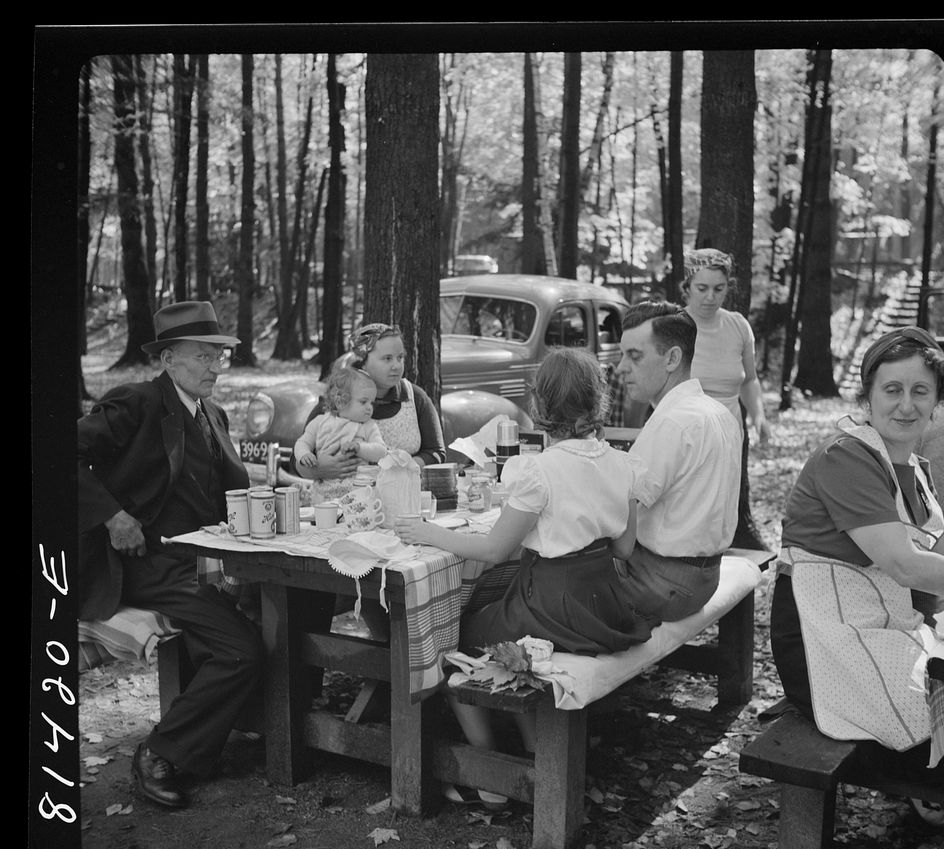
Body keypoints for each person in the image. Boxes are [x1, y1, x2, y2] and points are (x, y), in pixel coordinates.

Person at [395, 348, 651, 805]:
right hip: (605, 601)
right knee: (498, 625)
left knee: (455, 640)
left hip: (553, 602)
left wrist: (428, 532)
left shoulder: (537, 470)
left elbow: (494, 550)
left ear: (542, 406)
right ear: (596, 402)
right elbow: (624, 548)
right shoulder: (621, 463)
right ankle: (533, 746)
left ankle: (488, 772)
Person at [769, 327, 944, 849]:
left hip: (875, 623)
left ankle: (941, 812)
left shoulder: (913, 470)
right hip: (819, 639)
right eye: (891, 390)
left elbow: (926, 575)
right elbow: (902, 563)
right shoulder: (847, 457)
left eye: (920, 391)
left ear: (937, 401)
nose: (905, 404)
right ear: (867, 396)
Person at [78, 300, 265, 810]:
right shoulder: (135, 403)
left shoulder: (214, 414)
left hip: (203, 560)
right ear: (167, 359)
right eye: (203, 357)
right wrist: (113, 516)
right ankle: (158, 754)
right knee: (239, 650)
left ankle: (266, 725)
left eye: (218, 356)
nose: (215, 368)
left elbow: (227, 488)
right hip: (144, 563)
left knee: (276, 610)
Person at [614, 302, 743, 624]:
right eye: (622, 355)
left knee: (546, 574)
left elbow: (617, 507)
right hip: (702, 579)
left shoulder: (674, 421)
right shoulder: (718, 413)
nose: (620, 368)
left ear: (672, 358)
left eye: (634, 356)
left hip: (660, 584)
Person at [680, 248, 771, 550]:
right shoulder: (673, 327)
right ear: (687, 287)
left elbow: (750, 379)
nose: (710, 297)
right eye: (702, 288)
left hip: (730, 436)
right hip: (687, 437)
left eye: (718, 289)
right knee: (688, 512)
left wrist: (759, 417)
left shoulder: (738, 326)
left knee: (722, 513)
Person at [295, 323, 446, 487]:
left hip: (402, 497)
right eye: (387, 358)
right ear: (363, 362)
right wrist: (320, 470)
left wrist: (402, 466)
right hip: (340, 499)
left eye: (400, 357)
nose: (396, 365)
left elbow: (436, 452)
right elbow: (296, 460)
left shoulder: (415, 397)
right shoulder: (339, 398)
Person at [293, 366, 388, 501]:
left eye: (371, 402)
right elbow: (302, 442)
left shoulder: (368, 426)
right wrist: (304, 455)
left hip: (357, 493)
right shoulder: (320, 422)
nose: (369, 408)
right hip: (324, 493)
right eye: (363, 402)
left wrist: (359, 447)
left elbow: (381, 452)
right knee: (323, 518)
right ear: (340, 402)